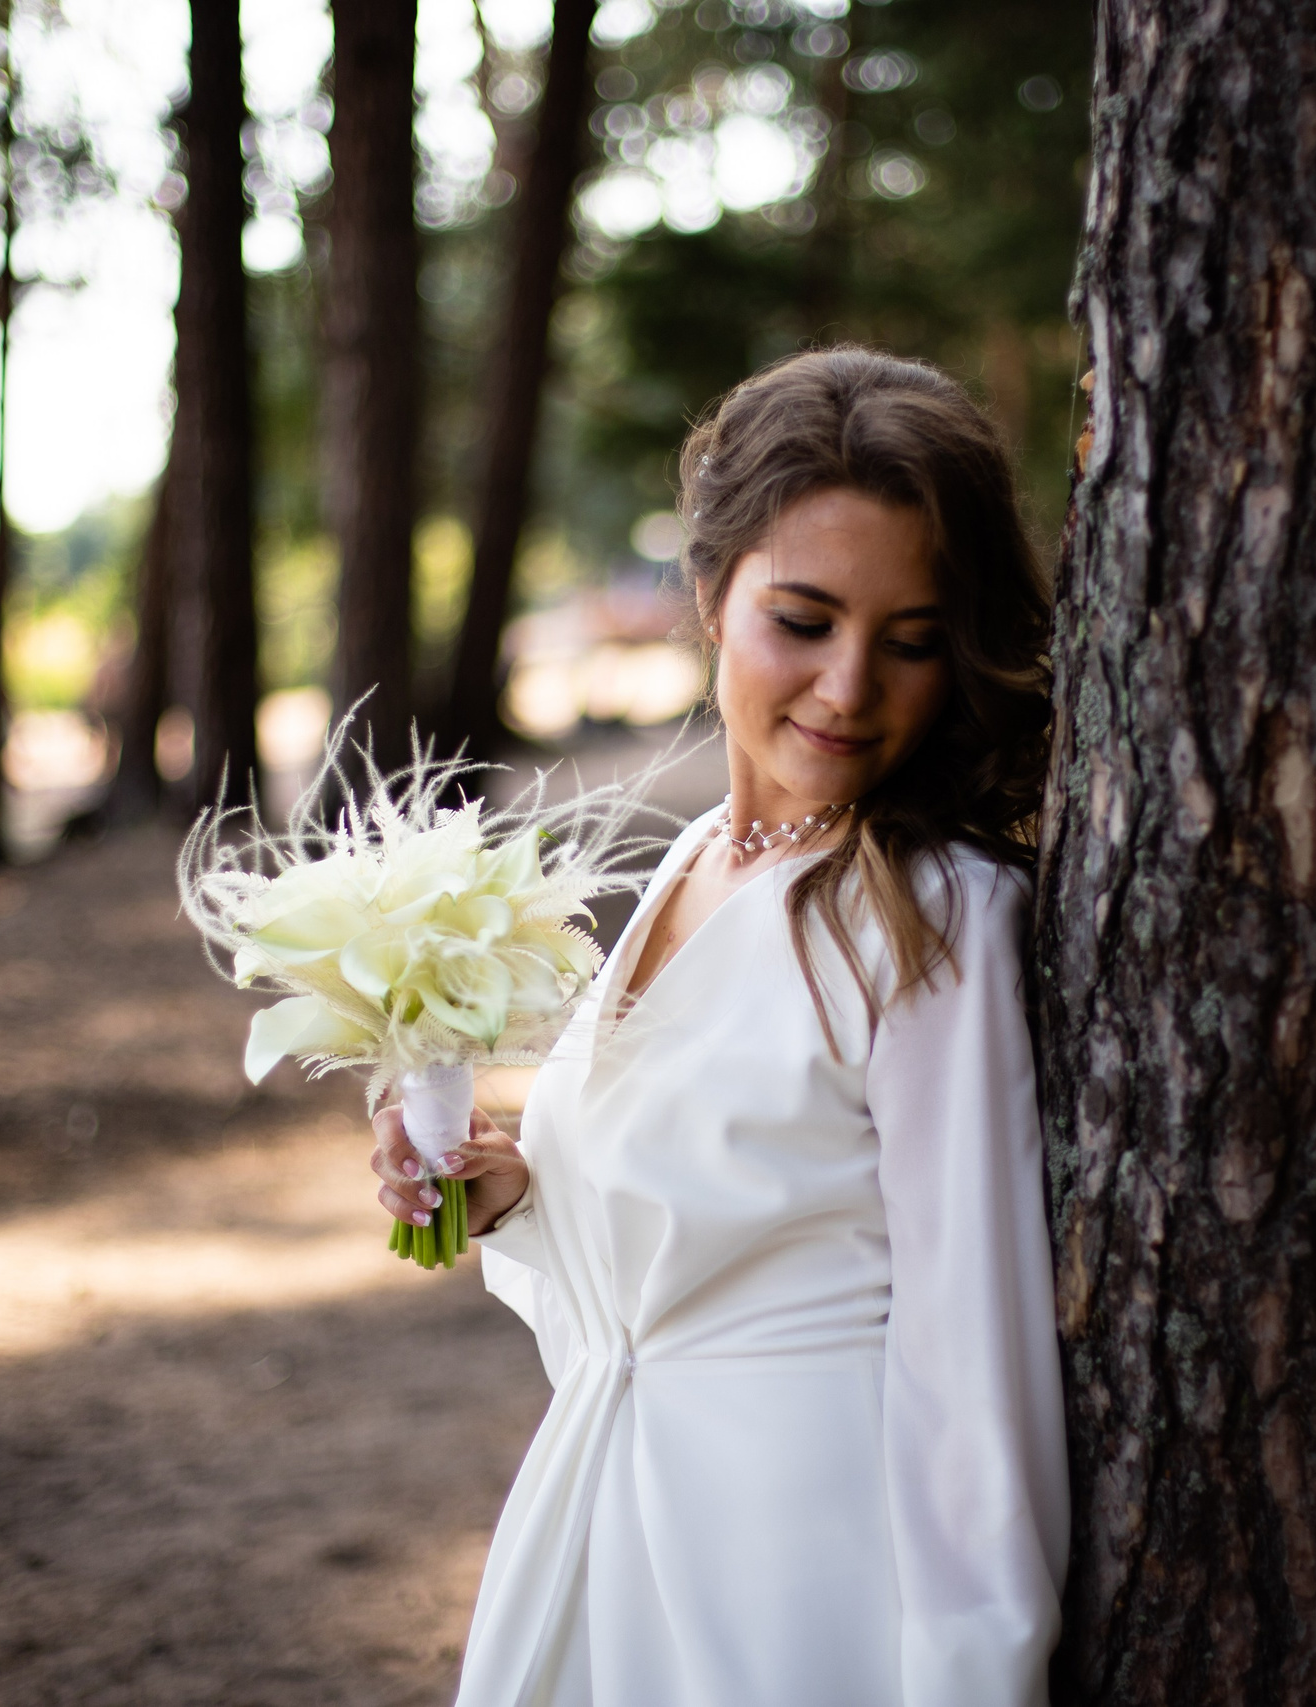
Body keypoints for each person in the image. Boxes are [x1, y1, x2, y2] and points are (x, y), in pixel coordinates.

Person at [368, 347, 1068, 1707]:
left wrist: (979, 1671)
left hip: (806, 1576)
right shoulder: (696, 860)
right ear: (708, 596)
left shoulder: (936, 918)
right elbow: (652, 1297)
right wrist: (507, 1194)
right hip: (618, 1528)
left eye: (911, 639)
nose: (852, 687)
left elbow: (973, 1355)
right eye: (803, 620)